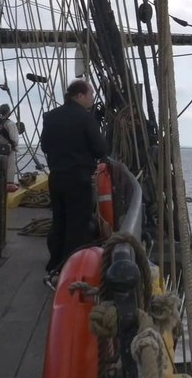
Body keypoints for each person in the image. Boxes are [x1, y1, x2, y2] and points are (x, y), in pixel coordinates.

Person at [39, 79, 108, 289]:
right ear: (79, 96)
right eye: (90, 95)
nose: (92, 99)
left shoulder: (51, 117)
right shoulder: (85, 119)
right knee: (77, 225)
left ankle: (54, 263)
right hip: (78, 177)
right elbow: (100, 149)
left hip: (57, 177)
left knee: (59, 221)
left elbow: (44, 145)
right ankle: (69, 268)